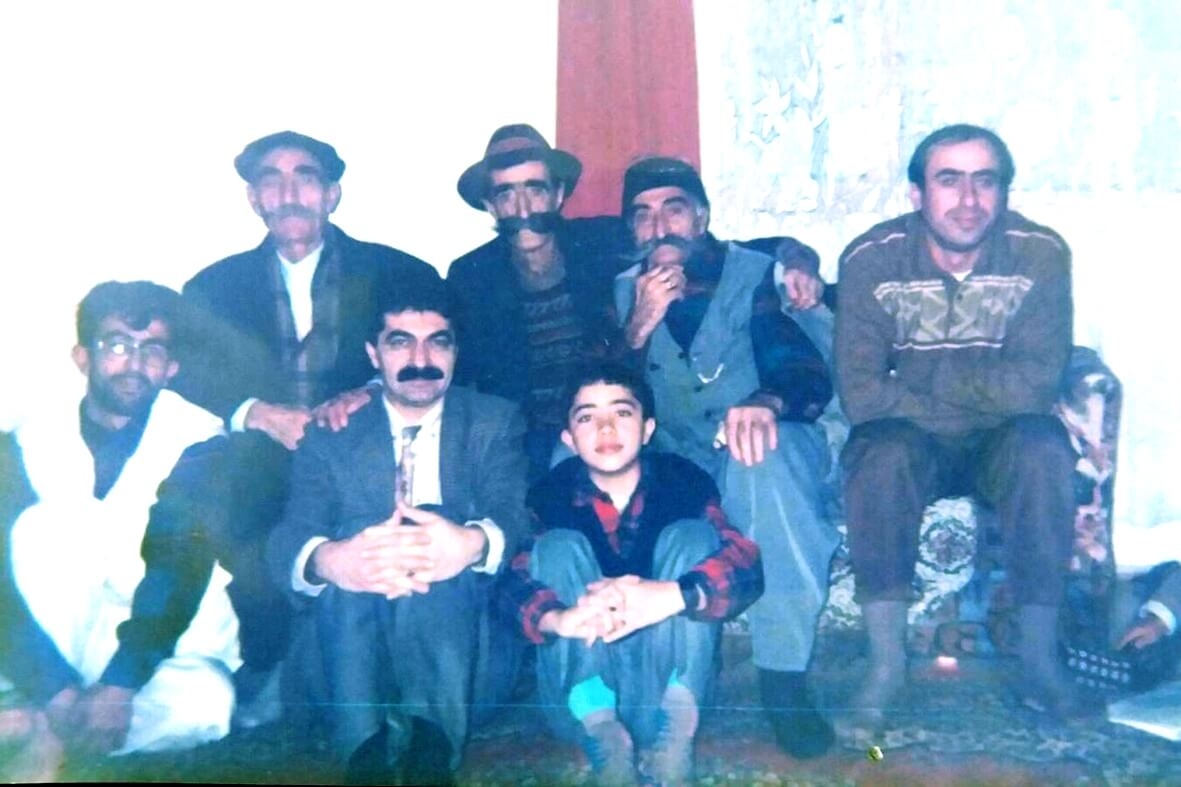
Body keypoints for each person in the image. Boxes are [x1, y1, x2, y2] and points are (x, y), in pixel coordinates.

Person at [174, 130, 439, 722]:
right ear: (254, 198)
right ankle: (271, 658)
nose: (289, 193)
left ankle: (383, 670)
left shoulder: (400, 271)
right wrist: (256, 412)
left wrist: (373, 391)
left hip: (367, 441)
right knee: (212, 487)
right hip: (264, 450)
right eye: (271, 179)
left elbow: (437, 352)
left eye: (306, 177)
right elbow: (187, 367)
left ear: (332, 194)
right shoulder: (214, 287)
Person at [834, 124, 1089, 726]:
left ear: (1004, 191)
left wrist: (923, 383)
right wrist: (976, 391)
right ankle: (886, 665)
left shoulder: (1039, 254)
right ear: (917, 193)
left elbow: (1036, 386)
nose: (968, 200)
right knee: (880, 454)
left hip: (1002, 441)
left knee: (1044, 449)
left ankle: (1038, 660)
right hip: (910, 440)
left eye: (985, 181)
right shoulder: (871, 259)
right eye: (949, 181)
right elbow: (863, 396)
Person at [446, 124, 829, 483]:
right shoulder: (470, 276)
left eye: (535, 189)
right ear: (490, 205)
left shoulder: (600, 243)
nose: (523, 209)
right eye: (506, 194)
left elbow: (723, 250)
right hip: (526, 433)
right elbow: (464, 375)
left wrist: (796, 260)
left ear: (558, 195)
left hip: (611, 418)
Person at [613, 157, 839, 758]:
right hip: (679, 453)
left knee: (760, 461)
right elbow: (599, 392)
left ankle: (783, 680)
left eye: (674, 209)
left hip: (773, 434)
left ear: (702, 217)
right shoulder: (622, 291)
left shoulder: (757, 274)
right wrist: (637, 327)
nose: (660, 226)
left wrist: (765, 402)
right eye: (643, 215)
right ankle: (664, 683)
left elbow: (804, 369)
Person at [264, 277, 528, 785]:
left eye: (438, 342)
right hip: (346, 661)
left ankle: (431, 751)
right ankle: (365, 754)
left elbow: (513, 516)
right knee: (358, 534)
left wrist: (469, 544)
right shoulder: (332, 432)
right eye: (401, 342)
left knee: (433, 527)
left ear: (456, 351)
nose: (420, 359)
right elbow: (289, 535)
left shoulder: (493, 422)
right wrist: (329, 560)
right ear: (374, 353)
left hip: (460, 665)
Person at [0, 282, 240, 777]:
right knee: (42, 527)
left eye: (152, 350)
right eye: (116, 345)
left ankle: (41, 730)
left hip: (157, 647)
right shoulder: (28, 434)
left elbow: (178, 568)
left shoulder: (202, 439)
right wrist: (55, 688)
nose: (134, 364)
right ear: (82, 357)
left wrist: (120, 685)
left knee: (207, 703)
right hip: (56, 644)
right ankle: (54, 715)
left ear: (171, 368)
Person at [502, 362, 763, 785]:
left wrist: (673, 595)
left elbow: (747, 565)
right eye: (587, 417)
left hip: (669, 680)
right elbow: (509, 586)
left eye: (622, 412)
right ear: (569, 439)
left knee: (692, 535)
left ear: (647, 429)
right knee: (557, 546)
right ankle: (607, 739)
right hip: (581, 694)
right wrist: (559, 618)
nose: (606, 428)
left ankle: (675, 736)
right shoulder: (549, 496)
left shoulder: (684, 482)